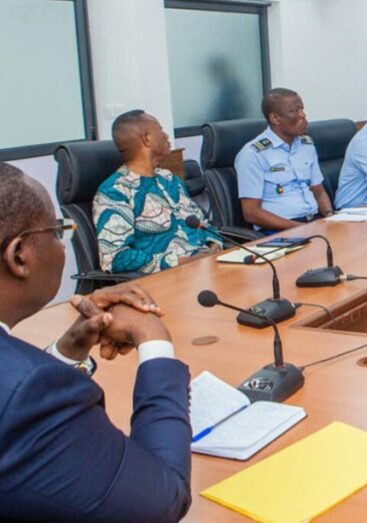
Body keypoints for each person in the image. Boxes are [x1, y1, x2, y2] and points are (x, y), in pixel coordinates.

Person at [0, 163, 192, 522]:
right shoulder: (29, 397)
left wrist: (68, 349)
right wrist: (154, 341)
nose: (61, 244)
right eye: (57, 232)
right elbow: (162, 501)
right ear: (19, 256)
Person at [94, 110, 221, 274]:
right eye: (161, 130)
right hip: (170, 279)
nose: (167, 136)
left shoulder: (169, 179)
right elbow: (115, 258)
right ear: (147, 139)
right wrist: (183, 262)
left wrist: (214, 247)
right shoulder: (115, 192)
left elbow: (203, 224)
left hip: (208, 267)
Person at [235, 88, 334, 231]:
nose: (303, 115)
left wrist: (330, 218)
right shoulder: (253, 154)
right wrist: (301, 228)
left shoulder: (306, 145)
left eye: (302, 109)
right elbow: (251, 213)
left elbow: (318, 191)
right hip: (279, 229)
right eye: (295, 111)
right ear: (275, 118)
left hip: (314, 221)